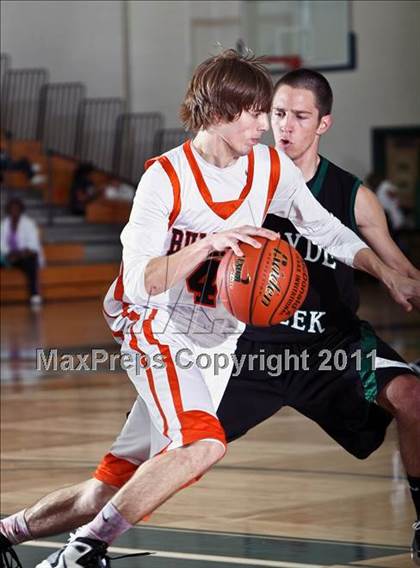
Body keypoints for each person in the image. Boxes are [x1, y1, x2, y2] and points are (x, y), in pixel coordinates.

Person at [1, 54, 419, 568]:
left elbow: (324, 229)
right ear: (218, 113)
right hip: (154, 324)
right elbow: (138, 282)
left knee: (127, 479)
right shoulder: (166, 179)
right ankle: (82, 553)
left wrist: (385, 269)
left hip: (217, 339)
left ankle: (8, 531)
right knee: (203, 443)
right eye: (255, 113)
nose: (266, 125)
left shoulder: (267, 168)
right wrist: (209, 244)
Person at [0, 197, 44, 305]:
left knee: (31, 262)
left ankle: (34, 294)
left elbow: (33, 246)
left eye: (17, 209)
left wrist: (18, 255)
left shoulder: (29, 224)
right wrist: (8, 254)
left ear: (21, 210)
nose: (14, 211)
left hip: (24, 257)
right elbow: (1, 244)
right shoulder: (4, 224)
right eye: (12, 209)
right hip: (8, 257)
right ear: (8, 210)